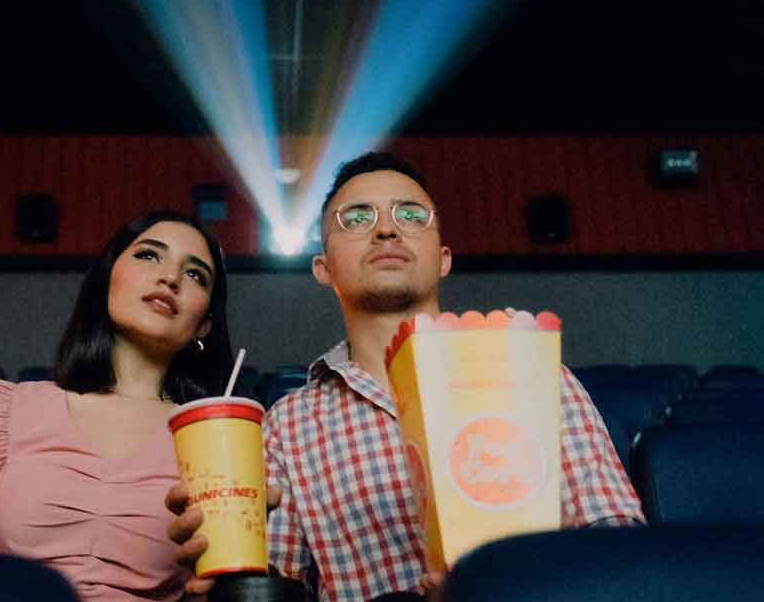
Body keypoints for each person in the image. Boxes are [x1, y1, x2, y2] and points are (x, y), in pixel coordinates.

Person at [167, 153, 644, 601]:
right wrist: (225, 573)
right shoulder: (288, 426)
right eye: (356, 219)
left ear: (443, 257)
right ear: (322, 267)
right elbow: (279, 585)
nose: (387, 231)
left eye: (411, 215)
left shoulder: (535, 373)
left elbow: (622, 545)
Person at [0, 211, 234, 602]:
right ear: (107, 280)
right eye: (149, 256)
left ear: (204, 325)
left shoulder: (215, 439)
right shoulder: (6, 413)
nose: (170, 278)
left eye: (195, 275)